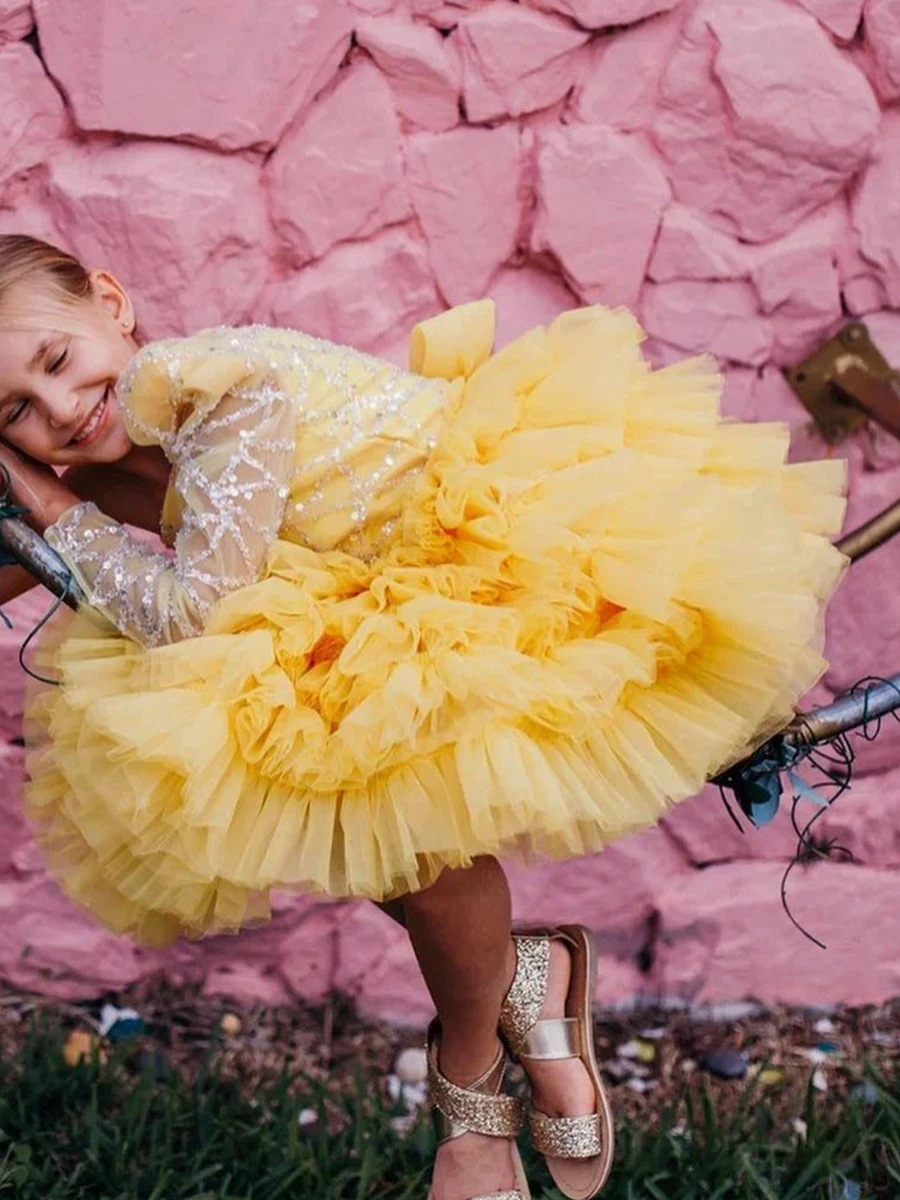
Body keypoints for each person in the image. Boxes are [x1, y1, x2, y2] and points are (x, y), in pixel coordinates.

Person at [0, 234, 847, 1200]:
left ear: (110, 302)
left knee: (414, 850)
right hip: (362, 605)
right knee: (311, 786)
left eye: (59, 363)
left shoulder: (223, 389)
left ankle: (471, 1095)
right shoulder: (121, 442)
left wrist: (43, 500)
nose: (60, 409)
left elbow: (193, 615)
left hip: (487, 560)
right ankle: (521, 977)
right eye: (15, 410)